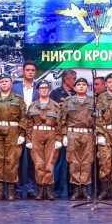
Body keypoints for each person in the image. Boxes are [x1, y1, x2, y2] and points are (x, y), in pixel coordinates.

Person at [0, 73, 26, 201]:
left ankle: (10, 191)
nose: (4, 83)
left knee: (11, 160)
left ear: (11, 83)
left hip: (13, 131)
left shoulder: (18, 99)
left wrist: (22, 134)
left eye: (6, 81)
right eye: (1, 81)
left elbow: (24, 118)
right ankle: (0, 191)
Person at [25, 80, 62, 200]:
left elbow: (59, 124)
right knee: (39, 164)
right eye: (42, 88)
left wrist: (58, 139)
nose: (44, 89)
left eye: (46, 87)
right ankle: (40, 190)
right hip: (36, 134)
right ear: (38, 90)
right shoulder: (32, 106)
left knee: (50, 163)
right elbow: (28, 124)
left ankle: (49, 191)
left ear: (49, 89)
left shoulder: (55, 106)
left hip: (51, 134)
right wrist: (28, 140)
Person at [60, 77, 96, 200]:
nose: (81, 86)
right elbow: (62, 120)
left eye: (84, 84)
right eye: (79, 84)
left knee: (87, 162)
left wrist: (98, 134)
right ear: (74, 88)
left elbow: (99, 120)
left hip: (88, 134)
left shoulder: (93, 102)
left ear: (87, 87)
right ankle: (76, 189)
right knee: (74, 162)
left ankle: (85, 189)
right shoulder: (68, 101)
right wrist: (64, 135)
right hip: (73, 134)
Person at [13, 60, 38, 199]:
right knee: (17, 158)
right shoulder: (15, 88)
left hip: (34, 128)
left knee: (32, 159)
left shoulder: (39, 88)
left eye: (32, 70)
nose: (30, 72)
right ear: (23, 71)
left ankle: (30, 188)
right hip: (18, 127)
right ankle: (17, 188)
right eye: (27, 70)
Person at [50, 68, 77, 197]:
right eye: (74, 79)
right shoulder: (55, 93)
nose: (75, 81)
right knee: (58, 163)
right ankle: (56, 190)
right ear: (66, 79)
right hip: (59, 132)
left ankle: (72, 191)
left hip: (73, 132)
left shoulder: (75, 93)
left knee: (72, 162)